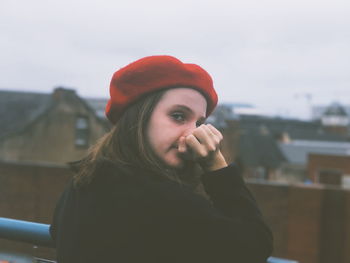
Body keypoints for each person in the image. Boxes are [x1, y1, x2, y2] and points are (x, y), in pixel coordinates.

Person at [50, 55, 273, 263]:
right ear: (138, 117)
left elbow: (56, 232)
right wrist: (216, 165)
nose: (191, 134)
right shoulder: (164, 201)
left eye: (198, 123)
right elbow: (255, 247)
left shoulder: (85, 181)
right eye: (178, 116)